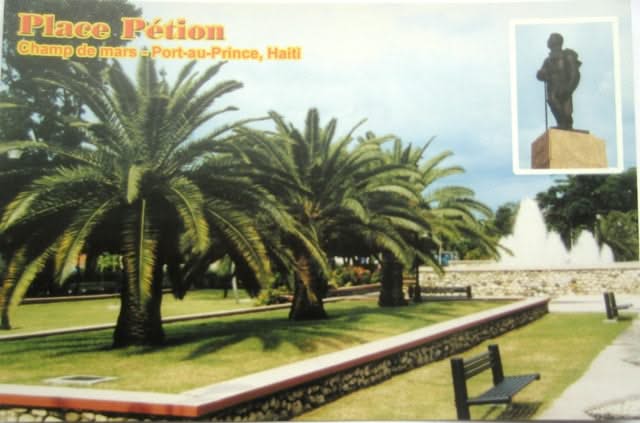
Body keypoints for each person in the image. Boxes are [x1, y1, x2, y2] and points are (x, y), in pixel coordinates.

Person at [536, 33, 581, 130]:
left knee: (565, 109)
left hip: (564, 87)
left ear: (557, 41)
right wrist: (541, 74)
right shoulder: (547, 60)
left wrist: (569, 88)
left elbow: (574, 73)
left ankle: (566, 123)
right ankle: (563, 123)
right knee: (552, 101)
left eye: (551, 38)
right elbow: (540, 74)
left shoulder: (567, 55)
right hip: (552, 88)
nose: (548, 40)